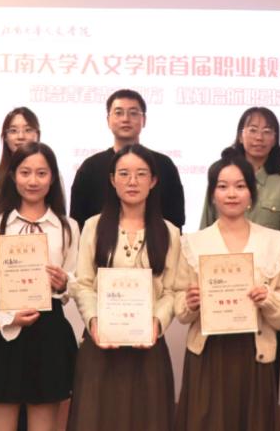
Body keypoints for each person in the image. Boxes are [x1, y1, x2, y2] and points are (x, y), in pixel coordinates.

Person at [175, 148, 280, 431]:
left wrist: (269, 299)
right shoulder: (193, 243)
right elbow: (180, 308)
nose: (231, 194)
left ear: (251, 194)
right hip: (208, 354)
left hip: (254, 353)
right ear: (212, 194)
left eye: (240, 186)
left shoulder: (274, 241)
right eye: (222, 186)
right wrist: (190, 302)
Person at [67, 144, 181, 431]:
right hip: (100, 346)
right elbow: (83, 284)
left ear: (153, 181)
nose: (132, 181)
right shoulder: (93, 226)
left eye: (141, 174)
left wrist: (157, 323)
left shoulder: (169, 232)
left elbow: (171, 291)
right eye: (124, 173)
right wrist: (94, 321)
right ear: (112, 179)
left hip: (149, 347)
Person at [0, 142, 80, 431]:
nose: (33, 181)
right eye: (25, 172)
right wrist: (7, 318)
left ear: (52, 178)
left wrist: (64, 283)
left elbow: (77, 281)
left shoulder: (67, 227)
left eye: (41, 173)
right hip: (5, 333)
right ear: (13, 176)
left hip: (49, 333)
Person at [199, 106, 280, 389]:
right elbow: (204, 231)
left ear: (276, 138)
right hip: (222, 294)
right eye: (253, 130)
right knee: (219, 379)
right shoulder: (220, 173)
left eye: (267, 131)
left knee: (265, 378)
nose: (259, 137)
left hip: (267, 297)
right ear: (240, 134)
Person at [70, 89, 185, 229]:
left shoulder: (164, 165)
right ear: (108, 120)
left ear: (144, 120)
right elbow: (77, 221)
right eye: (118, 113)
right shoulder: (90, 167)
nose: (125, 119)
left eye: (133, 113)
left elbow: (176, 220)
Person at [0, 107, 41, 225]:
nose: (21, 136)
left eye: (28, 130)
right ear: (5, 137)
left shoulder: (49, 174)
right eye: (13, 131)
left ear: (37, 135)